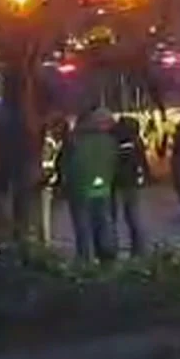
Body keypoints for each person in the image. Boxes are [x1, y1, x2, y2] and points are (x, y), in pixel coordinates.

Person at [58, 108, 120, 263]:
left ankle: (86, 258)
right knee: (104, 222)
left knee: (83, 226)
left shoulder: (74, 140)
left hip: (79, 189)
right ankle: (107, 256)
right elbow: (114, 162)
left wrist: (64, 182)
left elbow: (64, 163)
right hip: (103, 187)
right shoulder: (109, 141)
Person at [109, 114, 149, 257]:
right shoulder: (136, 141)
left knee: (111, 217)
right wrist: (146, 176)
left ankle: (110, 248)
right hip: (130, 181)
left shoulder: (113, 139)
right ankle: (138, 249)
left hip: (113, 181)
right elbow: (142, 161)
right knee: (133, 216)